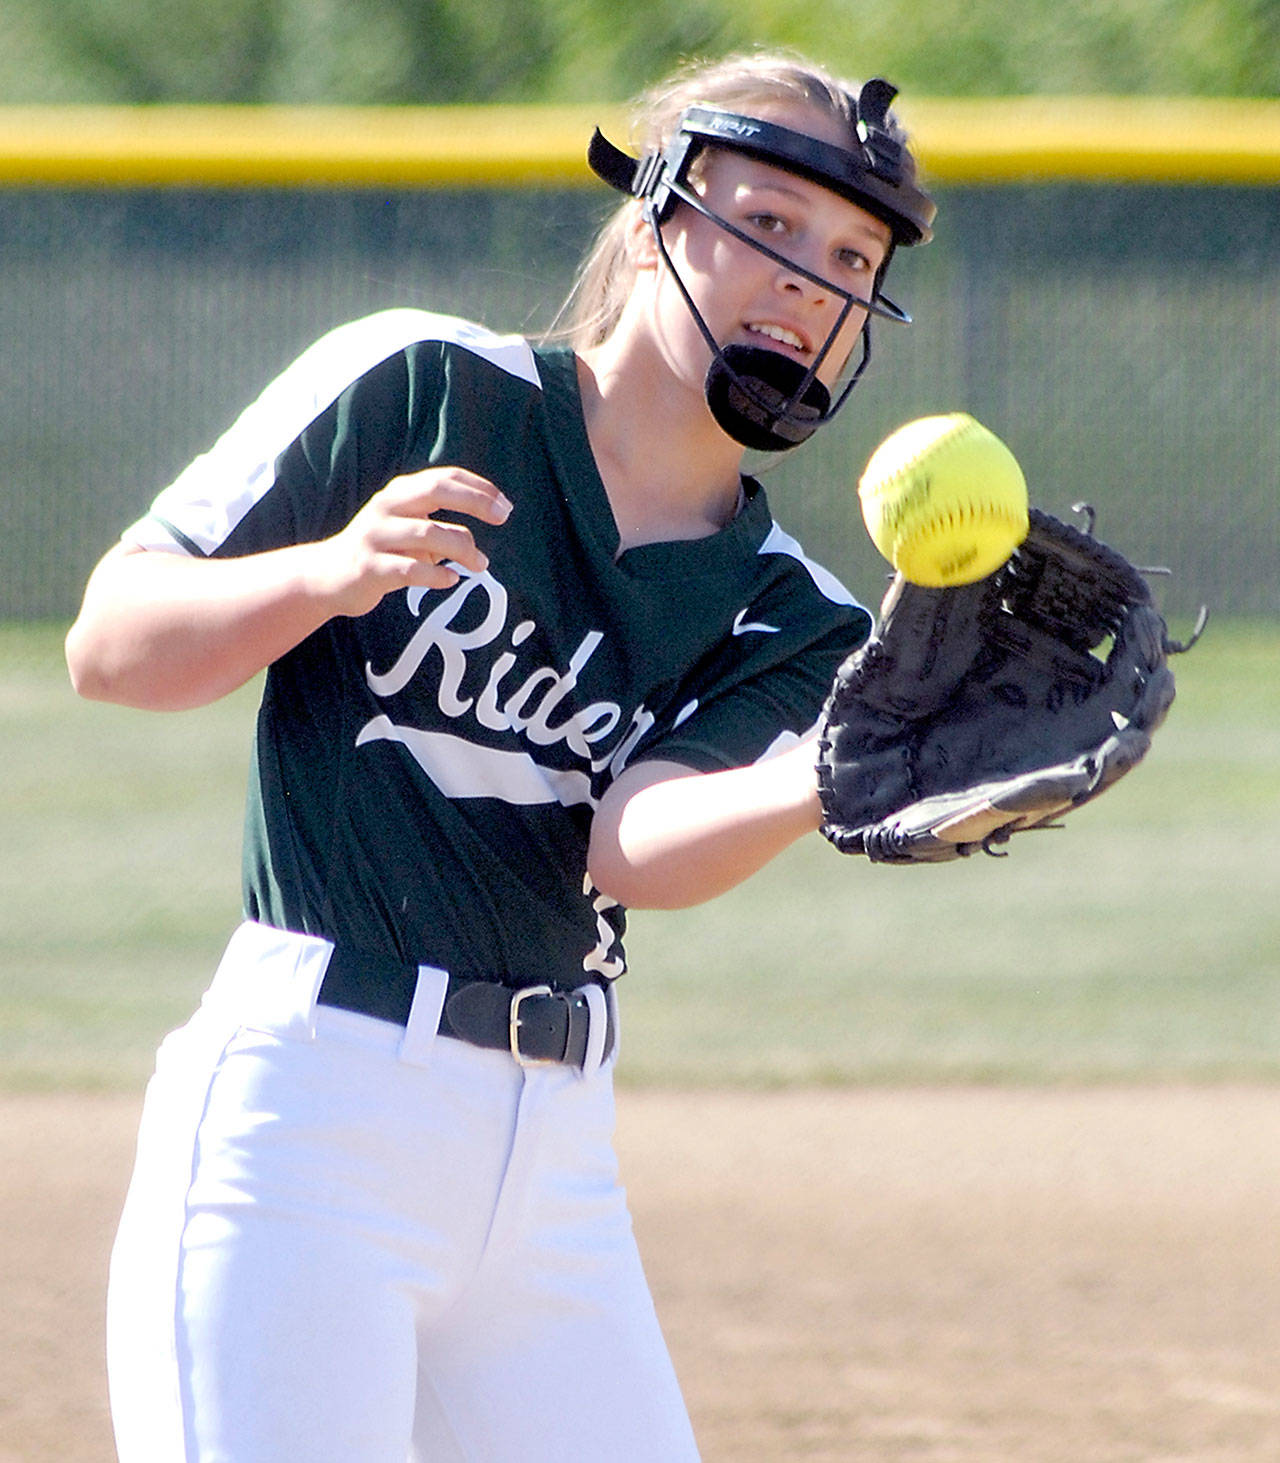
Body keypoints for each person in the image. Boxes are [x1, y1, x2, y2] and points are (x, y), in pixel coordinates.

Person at [65, 49, 935, 1463]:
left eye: (851, 257)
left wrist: (823, 776)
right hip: (307, 1119)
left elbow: (631, 848)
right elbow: (111, 643)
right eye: (770, 223)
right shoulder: (423, 385)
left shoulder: (797, 614)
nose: (808, 284)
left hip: (554, 1169)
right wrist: (327, 576)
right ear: (653, 216)